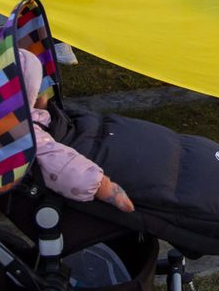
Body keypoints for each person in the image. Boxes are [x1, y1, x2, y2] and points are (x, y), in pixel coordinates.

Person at [19, 50, 134, 212]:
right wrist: (103, 186)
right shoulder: (22, 133)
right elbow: (60, 164)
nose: (45, 97)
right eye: (40, 91)